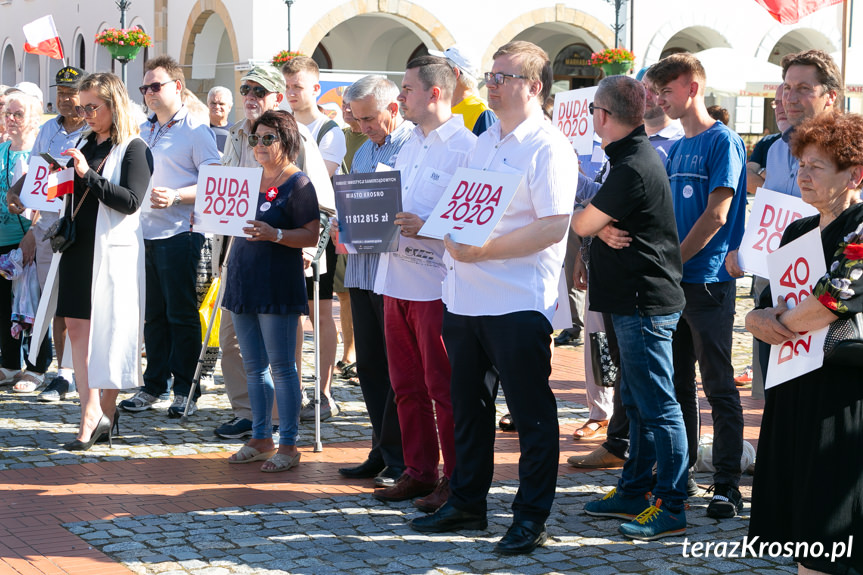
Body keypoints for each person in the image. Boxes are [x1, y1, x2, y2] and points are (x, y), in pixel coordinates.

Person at [411, 41, 577, 556]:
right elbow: (462, 210)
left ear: (534, 85)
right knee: (469, 409)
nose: (492, 84)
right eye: (490, 75)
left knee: (530, 414)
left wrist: (486, 251)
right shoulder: (487, 141)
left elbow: (553, 226)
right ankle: (467, 503)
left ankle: (530, 517)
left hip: (516, 299)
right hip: (464, 297)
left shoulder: (549, 146)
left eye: (503, 76)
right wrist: (444, 235)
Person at [746, 112, 863, 575]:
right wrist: (758, 318)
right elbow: (767, 302)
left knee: (832, 522)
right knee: (804, 529)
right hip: (795, 388)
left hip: (841, 394)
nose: (803, 174)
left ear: (854, 175)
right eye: (801, 164)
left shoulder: (860, 228)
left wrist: (781, 322)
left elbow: (834, 298)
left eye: (818, 166)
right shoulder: (797, 229)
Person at [573, 75, 688, 540]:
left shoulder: (633, 165)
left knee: (659, 406)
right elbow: (593, 222)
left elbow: (583, 220)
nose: (591, 119)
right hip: (632, 301)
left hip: (644, 303)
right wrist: (598, 228)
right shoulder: (630, 157)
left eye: (592, 112)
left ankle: (673, 503)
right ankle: (635, 488)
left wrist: (592, 226)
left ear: (603, 115)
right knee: (639, 404)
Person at [645, 53, 747, 520]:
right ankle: (680, 475)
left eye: (667, 92)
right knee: (679, 385)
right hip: (674, 282)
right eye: (658, 93)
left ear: (692, 87)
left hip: (706, 282)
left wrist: (672, 259)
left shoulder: (721, 141)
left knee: (719, 385)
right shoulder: (677, 145)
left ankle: (726, 483)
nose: (660, 101)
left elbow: (717, 214)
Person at [371, 55, 475, 512]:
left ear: (435, 93)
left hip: (436, 284)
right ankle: (418, 470)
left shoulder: (467, 147)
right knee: (405, 385)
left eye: (407, 89)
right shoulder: (409, 143)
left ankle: (456, 478)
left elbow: (472, 222)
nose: (400, 97)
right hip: (395, 279)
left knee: (444, 387)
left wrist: (427, 224)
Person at [212, 65, 335, 440]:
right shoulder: (236, 136)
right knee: (233, 342)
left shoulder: (298, 140)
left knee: (282, 355)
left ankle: (286, 423)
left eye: (258, 90)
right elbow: (222, 195)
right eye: (245, 88)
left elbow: (322, 206)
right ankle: (249, 415)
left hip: (282, 260)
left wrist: (308, 254)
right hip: (238, 256)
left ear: (276, 98)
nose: (250, 95)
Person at [46, 72, 152, 450]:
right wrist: (58, 178)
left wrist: (86, 175)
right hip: (78, 246)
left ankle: (104, 412)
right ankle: (89, 410)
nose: (86, 114)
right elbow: (73, 191)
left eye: (92, 107)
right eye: (82, 107)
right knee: (77, 329)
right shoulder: (83, 141)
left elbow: (130, 201)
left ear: (113, 105)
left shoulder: (135, 148)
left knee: (108, 331)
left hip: (112, 250)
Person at [118, 56, 221, 418]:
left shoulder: (195, 129)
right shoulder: (143, 130)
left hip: (181, 232)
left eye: (155, 86)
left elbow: (214, 179)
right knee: (153, 316)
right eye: (144, 87)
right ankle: (153, 385)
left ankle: (185, 390)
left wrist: (178, 196)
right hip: (143, 233)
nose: (148, 93)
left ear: (177, 87)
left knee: (180, 314)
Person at [223, 110, 319, 472]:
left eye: (268, 139)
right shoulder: (247, 178)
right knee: (253, 365)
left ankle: (290, 444)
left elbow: (310, 234)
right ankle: (261, 437)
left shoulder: (299, 183)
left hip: (277, 281)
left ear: (286, 141)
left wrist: (276, 234)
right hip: (243, 278)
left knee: (282, 366)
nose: (260, 145)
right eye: (255, 138)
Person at [335, 75, 410, 488]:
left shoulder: (412, 147)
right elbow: (352, 202)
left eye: (368, 118)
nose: (361, 126)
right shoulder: (363, 152)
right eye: (356, 118)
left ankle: (403, 457)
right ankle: (383, 448)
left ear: (392, 109)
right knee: (370, 365)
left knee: (399, 369)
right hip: (362, 272)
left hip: (396, 275)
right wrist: (337, 224)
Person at [7, 66, 89, 401]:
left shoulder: (89, 130)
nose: (65, 99)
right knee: (50, 301)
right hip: (46, 226)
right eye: (61, 92)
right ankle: (57, 371)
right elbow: (37, 169)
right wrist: (16, 191)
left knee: (73, 302)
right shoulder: (48, 129)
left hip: (77, 223)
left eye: (71, 93)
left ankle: (72, 371)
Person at [281, 56, 346, 421]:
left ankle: (323, 391)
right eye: (287, 87)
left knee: (319, 312)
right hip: (283, 233)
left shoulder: (328, 130)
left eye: (298, 87)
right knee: (291, 315)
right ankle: (295, 390)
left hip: (317, 233)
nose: (291, 94)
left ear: (315, 89)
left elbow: (316, 185)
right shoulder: (281, 124)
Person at [0, 91, 53, 390]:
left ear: (33, 118)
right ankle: (9, 364)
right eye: (8, 113)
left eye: (18, 114)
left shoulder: (37, 154)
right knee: (3, 306)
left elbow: (43, 198)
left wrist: (32, 235)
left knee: (32, 304)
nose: (11, 119)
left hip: (28, 239)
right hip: (2, 238)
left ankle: (36, 366)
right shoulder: (1, 150)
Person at [332, 94, 366, 377]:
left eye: (350, 105)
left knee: (354, 293)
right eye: (343, 104)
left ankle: (355, 352)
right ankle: (348, 352)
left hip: (362, 221)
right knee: (342, 293)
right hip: (336, 219)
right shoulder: (339, 136)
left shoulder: (371, 140)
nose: (346, 108)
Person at [431, 45, 497, 136]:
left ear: (455, 73)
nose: (435, 74)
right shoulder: (439, 106)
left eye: (440, 69)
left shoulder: (481, 112)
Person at [207, 86, 233, 153]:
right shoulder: (201, 130)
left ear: (229, 107)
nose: (217, 107)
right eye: (213, 103)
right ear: (208, 105)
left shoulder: (236, 131)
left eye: (221, 104)